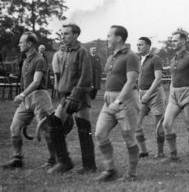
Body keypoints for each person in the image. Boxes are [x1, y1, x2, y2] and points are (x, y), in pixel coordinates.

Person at [46, 24, 96, 174]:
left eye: (67, 33)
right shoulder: (64, 52)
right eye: (62, 33)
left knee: (84, 128)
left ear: (75, 35)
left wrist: (75, 97)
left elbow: (86, 76)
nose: (63, 36)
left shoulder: (82, 52)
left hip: (79, 96)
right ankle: (64, 162)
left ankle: (89, 166)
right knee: (54, 123)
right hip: (66, 95)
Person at [2, 32, 55, 169]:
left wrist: (22, 94)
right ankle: (17, 159)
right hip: (26, 100)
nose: (19, 44)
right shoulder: (25, 60)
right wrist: (23, 96)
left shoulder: (39, 59)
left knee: (46, 130)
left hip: (40, 97)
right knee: (14, 127)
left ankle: (54, 160)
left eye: (21, 42)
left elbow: (37, 82)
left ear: (30, 44)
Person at [94, 25, 140, 181]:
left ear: (118, 38)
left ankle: (131, 174)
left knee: (129, 137)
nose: (107, 38)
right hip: (109, 102)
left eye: (109, 36)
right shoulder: (111, 56)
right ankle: (110, 170)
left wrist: (118, 100)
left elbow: (131, 81)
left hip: (124, 101)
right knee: (100, 134)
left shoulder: (131, 56)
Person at [162, 30, 189, 162]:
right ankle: (174, 156)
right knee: (166, 124)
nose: (172, 43)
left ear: (183, 41)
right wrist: (169, 94)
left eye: (175, 40)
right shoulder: (173, 59)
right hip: (174, 95)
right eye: (172, 41)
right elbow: (173, 78)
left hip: (187, 94)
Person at [135, 37, 166, 159]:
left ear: (148, 45)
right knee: (136, 123)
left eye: (141, 45)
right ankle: (143, 151)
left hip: (154, 94)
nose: (138, 47)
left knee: (158, 125)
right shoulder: (137, 59)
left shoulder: (155, 59)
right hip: (141, 94)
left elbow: (158, 79)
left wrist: (148, 94)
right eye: (137, 45)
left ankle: (160, 152)